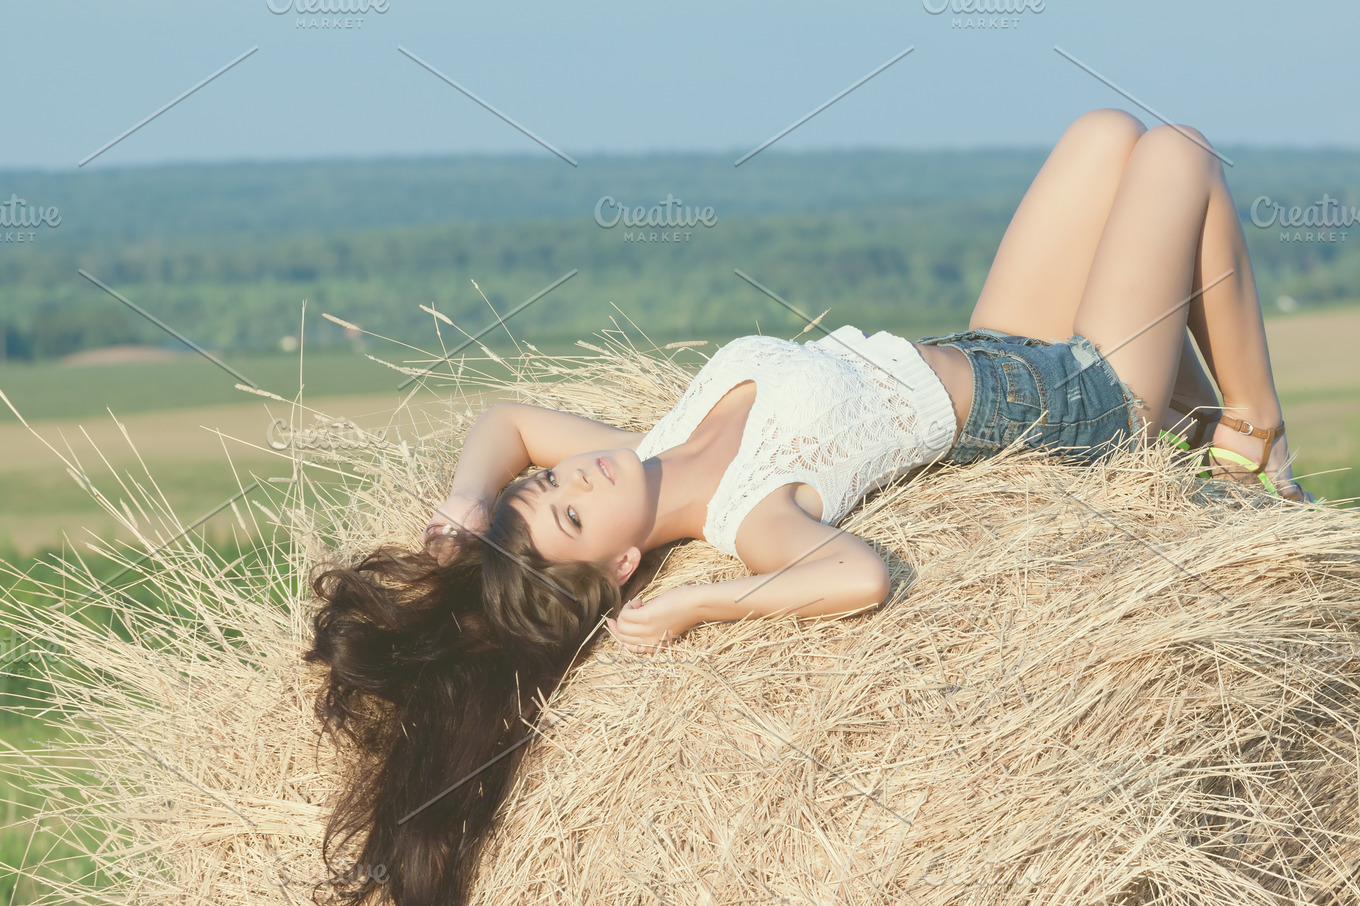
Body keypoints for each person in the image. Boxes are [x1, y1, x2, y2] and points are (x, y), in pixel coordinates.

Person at [303, 108, 1312, 906]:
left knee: (1101, 135)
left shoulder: (645, 450)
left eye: (551, 486)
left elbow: (510, 419)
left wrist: (470, 507)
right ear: (615, 568)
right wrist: (705, 606)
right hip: (1076, 400)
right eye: (568, 516)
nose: (572, 482)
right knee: (1179, 151)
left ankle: (1193, 396)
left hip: (994, 344)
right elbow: (859, 575)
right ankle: (1247, 437)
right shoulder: (750, 514)